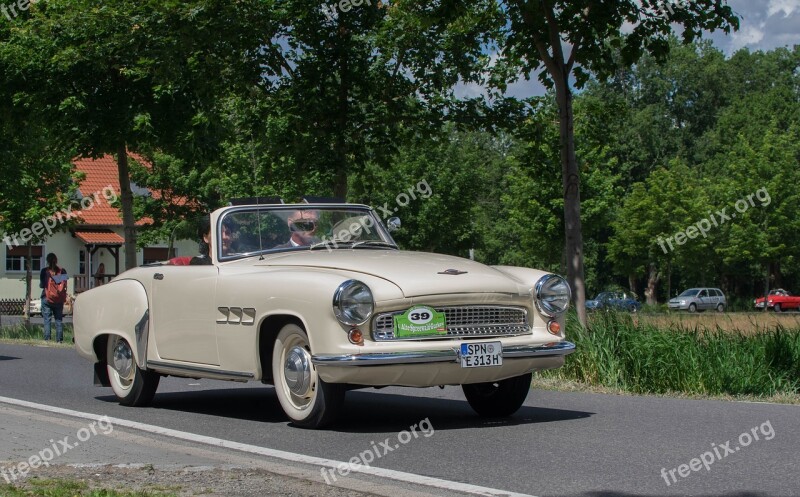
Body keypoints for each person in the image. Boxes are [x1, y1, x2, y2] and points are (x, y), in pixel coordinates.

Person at [40, 253, 67, 343]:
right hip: (59, 300)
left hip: (47, 298)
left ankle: (47, 339)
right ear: (56, 260)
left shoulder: (44, 271)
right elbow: (63, 285)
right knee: (59, 320)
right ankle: (59, 340)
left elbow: (42, 285)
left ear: (47, 261)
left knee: (47, 319)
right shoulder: (62, 271)